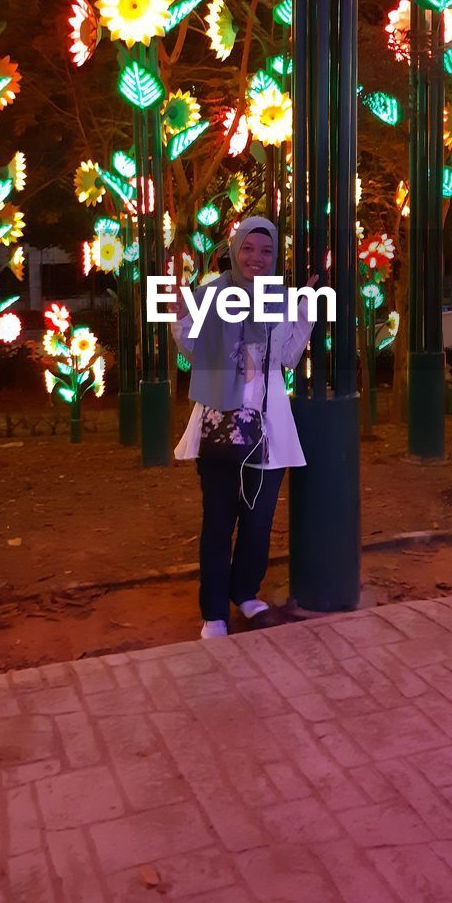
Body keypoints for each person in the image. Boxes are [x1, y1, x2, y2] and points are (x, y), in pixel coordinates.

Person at [171, 216, 316, 640]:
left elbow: (288, 357)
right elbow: (193, 349)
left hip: (269, 424)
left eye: (266, 251)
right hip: (221, 418)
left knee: (258, 519)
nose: (256, 258)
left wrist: (304, 309)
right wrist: (180, 317)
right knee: (218, 520)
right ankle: (214, 611)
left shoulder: (280, 297)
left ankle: (246, 594)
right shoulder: (211, 293)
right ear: (234, 250)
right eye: (248, 249)